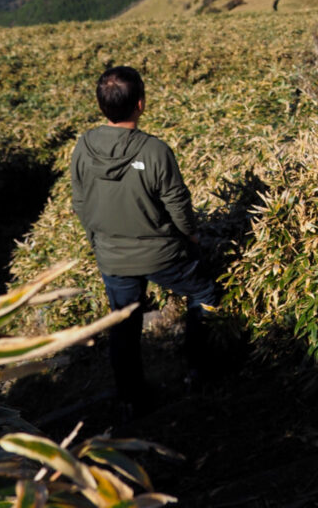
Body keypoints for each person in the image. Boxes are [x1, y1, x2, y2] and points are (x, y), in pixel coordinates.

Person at [70, 65, 217, 416]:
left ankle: (132, 398)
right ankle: (200, 367)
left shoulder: (83, 146)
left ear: (101, 104)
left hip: (111, 255)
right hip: (161, 254)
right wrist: (191, 235)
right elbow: (178, 203)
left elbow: (80, 202)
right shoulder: (154, 151)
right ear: (141, 103)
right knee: (204, 292)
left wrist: (97, 240)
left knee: (123, 322)